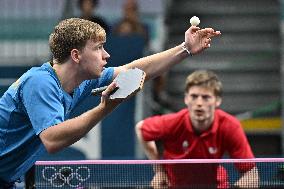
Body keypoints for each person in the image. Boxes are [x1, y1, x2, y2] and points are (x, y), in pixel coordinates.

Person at [0, 18, 220, 187]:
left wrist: (185, 48)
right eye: (98, 48)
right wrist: (106, 107)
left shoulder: (80, 83)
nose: (106, 55)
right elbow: (52, 139)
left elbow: (134, 70)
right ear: (76, 55)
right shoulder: (40, 83)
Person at [135, 70, 259, 188]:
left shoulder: (230, 126)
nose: (199, 103)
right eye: (194, 96)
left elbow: (251, 174)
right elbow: (140, 129)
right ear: (186, 98)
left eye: (206, 97)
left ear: (217, 101)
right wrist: (159, 170)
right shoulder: (172, 123)